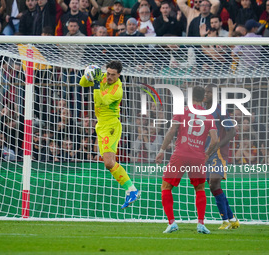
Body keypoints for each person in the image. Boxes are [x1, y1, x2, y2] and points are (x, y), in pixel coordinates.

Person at [155, 86, 218, 234]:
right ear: (204, 98)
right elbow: (215, 140)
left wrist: (162, 150)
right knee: (200, 189)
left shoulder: (182, 111)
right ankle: (201, 224)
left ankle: (172, 223)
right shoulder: (209, 116)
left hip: (181, 154)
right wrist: (207, 153)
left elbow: (172, 131)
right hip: (197, 157)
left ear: (190, 97)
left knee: (166, 187)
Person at [79, 60, 140, 209]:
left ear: (119, 75)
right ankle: (131, 190)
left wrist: (96, 83)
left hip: (111, 125)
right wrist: (89, 73)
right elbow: (82, 84)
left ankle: (132, 189)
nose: (110, 77)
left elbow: (104, 100)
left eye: (113, 75)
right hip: (100, 125)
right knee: (109, 163)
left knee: (108, 162)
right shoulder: (103, 77)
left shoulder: (118, 89)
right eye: (108, 73)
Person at [203, 84, 240, 230]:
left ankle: (225, 221)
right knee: (213, 186)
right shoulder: (201, 110)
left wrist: (217, 146)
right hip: (205, 152)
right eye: (205, 91)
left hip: (218, 153)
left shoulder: (221, 110)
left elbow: (232, 132)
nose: (206, 94)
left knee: (214, 183)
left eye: (209, 92)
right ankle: (232, 219)